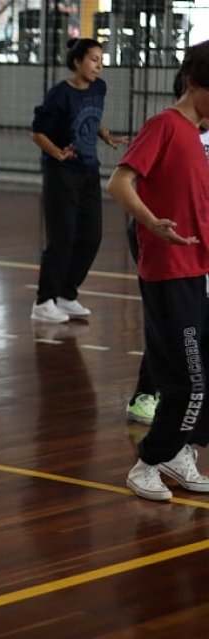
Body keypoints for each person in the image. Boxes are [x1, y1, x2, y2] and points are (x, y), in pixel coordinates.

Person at [106, 41, 209, 502]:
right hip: (170, 270)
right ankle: (149, 462)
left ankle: (180, 452)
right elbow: (120, 181)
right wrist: (150, 222)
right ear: (193, 83)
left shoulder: (200, 135)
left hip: (200, 269)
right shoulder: (165, 125)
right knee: (188, 379)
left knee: (207, 373)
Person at [30, 38, 128, 323]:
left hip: (89, 170)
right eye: (93, 59)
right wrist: (57, 154)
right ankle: (43, 301)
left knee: (91, 236)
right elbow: (37, 132)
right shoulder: (59, 94)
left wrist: (104, 134)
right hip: (62, 173)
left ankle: (66, 294)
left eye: (101, 59)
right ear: (77, 62)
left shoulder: (100, 88)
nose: (99, 65)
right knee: (62, 238)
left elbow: (90, 117)